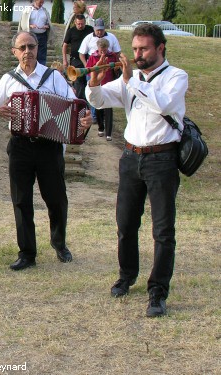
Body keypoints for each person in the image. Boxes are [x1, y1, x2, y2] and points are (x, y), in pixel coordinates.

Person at [86, 24, 187, 317]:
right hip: (131, 157)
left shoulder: (176, 77)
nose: (138, 54)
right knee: (126, 224)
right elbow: (100, 100)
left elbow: (164, 104)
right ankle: (127, 275)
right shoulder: (132, 79)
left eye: (144, 49)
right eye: (135, 49)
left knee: (163, 230)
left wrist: (130, 80)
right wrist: (93, 83)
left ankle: (158, 291)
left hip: (162, 159)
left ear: (160, 48)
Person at [0, 31, 93, 271]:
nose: (27, 52)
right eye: (22, 47)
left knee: (56, 199)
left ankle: (59, 243)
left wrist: (85, 118)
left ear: (37, 48)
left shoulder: (53, 77)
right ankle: (27, 253)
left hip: (49, 146)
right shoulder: (8, 79)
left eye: (31, 46)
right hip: (20, 146)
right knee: (21, 200)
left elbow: (75, 106)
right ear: (14, 52)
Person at [85, 38, 119, 140]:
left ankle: (109, 133)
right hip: (98, 86)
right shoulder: (93, 56)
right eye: (101, 50)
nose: (103, 52)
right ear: (98, 48)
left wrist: (116, 68)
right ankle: (101, 128)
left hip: (109, 85)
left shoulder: (112, 56)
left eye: (105, 50)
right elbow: (88, 69)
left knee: (109, 109)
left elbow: (116, 68)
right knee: (99, 108)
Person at [62, 14, 94, 100]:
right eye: (78, 24)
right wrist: (65, 59)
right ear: (75, 23)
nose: (80, 26)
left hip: (88, 59)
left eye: (82, 24)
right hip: (76, 60)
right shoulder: (71, 31)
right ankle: (79, 101)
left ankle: (88, 101)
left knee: (88, 81)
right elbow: (64, 45)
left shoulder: (90, 29)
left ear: (85, 22)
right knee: (78, 82)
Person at [17, 0, 55, 66]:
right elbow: (23, 23)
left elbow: (48, 22)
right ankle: (29, 67)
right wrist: (30, 25)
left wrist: (46, 26)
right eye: (40, 2)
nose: (41, 4)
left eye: (42, 2)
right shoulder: (28, 10)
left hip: (42, 35)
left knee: (42, 55)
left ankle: (41, 70)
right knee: (31, 53)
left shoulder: (44, 11)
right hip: (31, 35)